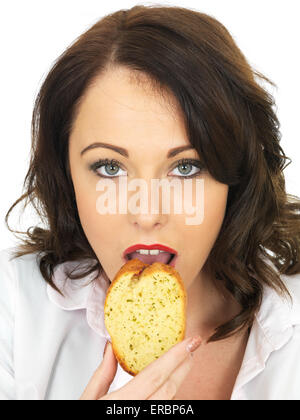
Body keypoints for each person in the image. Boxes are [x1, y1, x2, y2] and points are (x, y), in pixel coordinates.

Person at [1, 4, 300, 400]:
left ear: (236, 174)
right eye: (109, 168)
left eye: (187, 167)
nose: (147, 214)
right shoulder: (13, 310)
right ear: (65, 173)